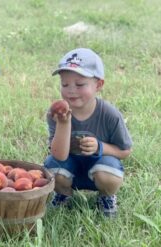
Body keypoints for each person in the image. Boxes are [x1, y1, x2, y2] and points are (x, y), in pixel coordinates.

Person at [44, 48, 132, 217]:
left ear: (98, 85)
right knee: (50, 169)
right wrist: (63, 123)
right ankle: (64, 194)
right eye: (65, 84)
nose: (71, 90)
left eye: (79, 84)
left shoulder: (109, 114)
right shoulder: (56, 113)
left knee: (109, 172)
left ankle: (106, 196)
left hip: (100, 167)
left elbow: (125, 151)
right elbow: (58, 156)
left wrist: (100, 147)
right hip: (70, 166)